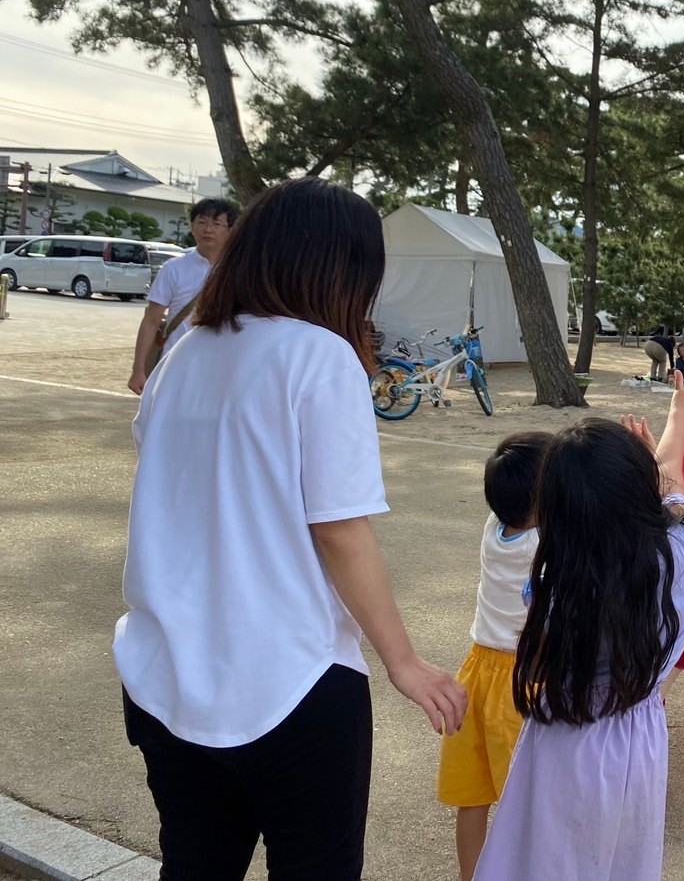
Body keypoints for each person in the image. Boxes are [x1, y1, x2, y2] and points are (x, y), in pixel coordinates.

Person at [114, 178, 467, 880]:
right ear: (343, 269)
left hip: (161, 672)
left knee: (193, 864)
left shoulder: (184, 351)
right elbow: (340, 528)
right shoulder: (319, 355)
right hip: (286, 678)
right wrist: (402, 660)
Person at [473, 368, 684, 881]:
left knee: (550, 857)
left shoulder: (554, 576)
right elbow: (672, 476)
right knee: (622, 857)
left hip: (566, 740)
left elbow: (543, 648)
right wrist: (678, 415)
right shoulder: (680, 546)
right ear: (640, 489)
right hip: (639, 735)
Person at [439, 432, 551, 881]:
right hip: (522, 683)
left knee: (474, 795)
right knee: (527, 805)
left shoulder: (496, 529)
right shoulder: (545, 546)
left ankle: (471, 876)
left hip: (476, 672)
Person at [128, 197, 239, 394]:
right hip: (174, 364)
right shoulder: (173, 269)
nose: (208, 229)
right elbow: (151, 321)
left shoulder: (240, 273)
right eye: (202, 222)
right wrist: (138, 369)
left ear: (231, 230)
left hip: (221, 368)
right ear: (193, 227)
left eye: (216, 223)